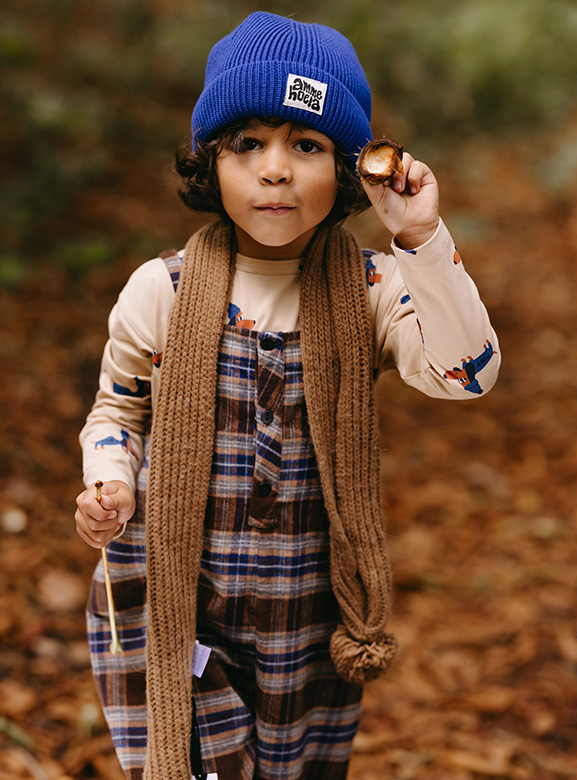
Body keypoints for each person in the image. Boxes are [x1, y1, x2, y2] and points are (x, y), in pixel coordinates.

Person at [75, 11, 500, 780]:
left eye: (305, 145)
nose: (275, 169)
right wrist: (109, 475)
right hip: (178, 589)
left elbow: (466, 373)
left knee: (291, 767)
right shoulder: (162, 290)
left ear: (346, 171)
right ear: (213, 162)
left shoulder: (372, 288)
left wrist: (422, 241)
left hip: (306, 607)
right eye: (248, 144)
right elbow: (119, 408)